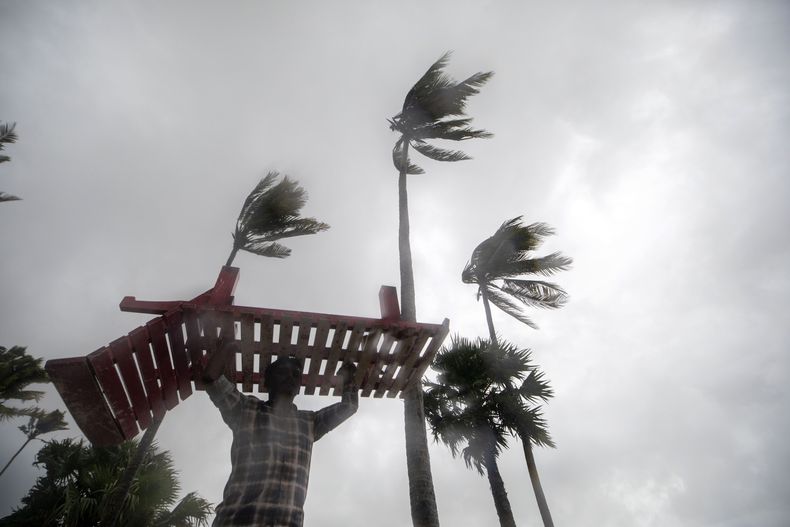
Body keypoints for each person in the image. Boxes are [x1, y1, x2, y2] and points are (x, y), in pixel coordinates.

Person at [203, 340, 358, 527]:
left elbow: (349, 406)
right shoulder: (246, 409)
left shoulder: (309, 422)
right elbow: (212, 379)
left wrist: (348, 377)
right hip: (239, 520)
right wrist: (227, 343)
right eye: (283, 372)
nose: (291, 377)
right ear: (267, 381)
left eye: (296, 375)